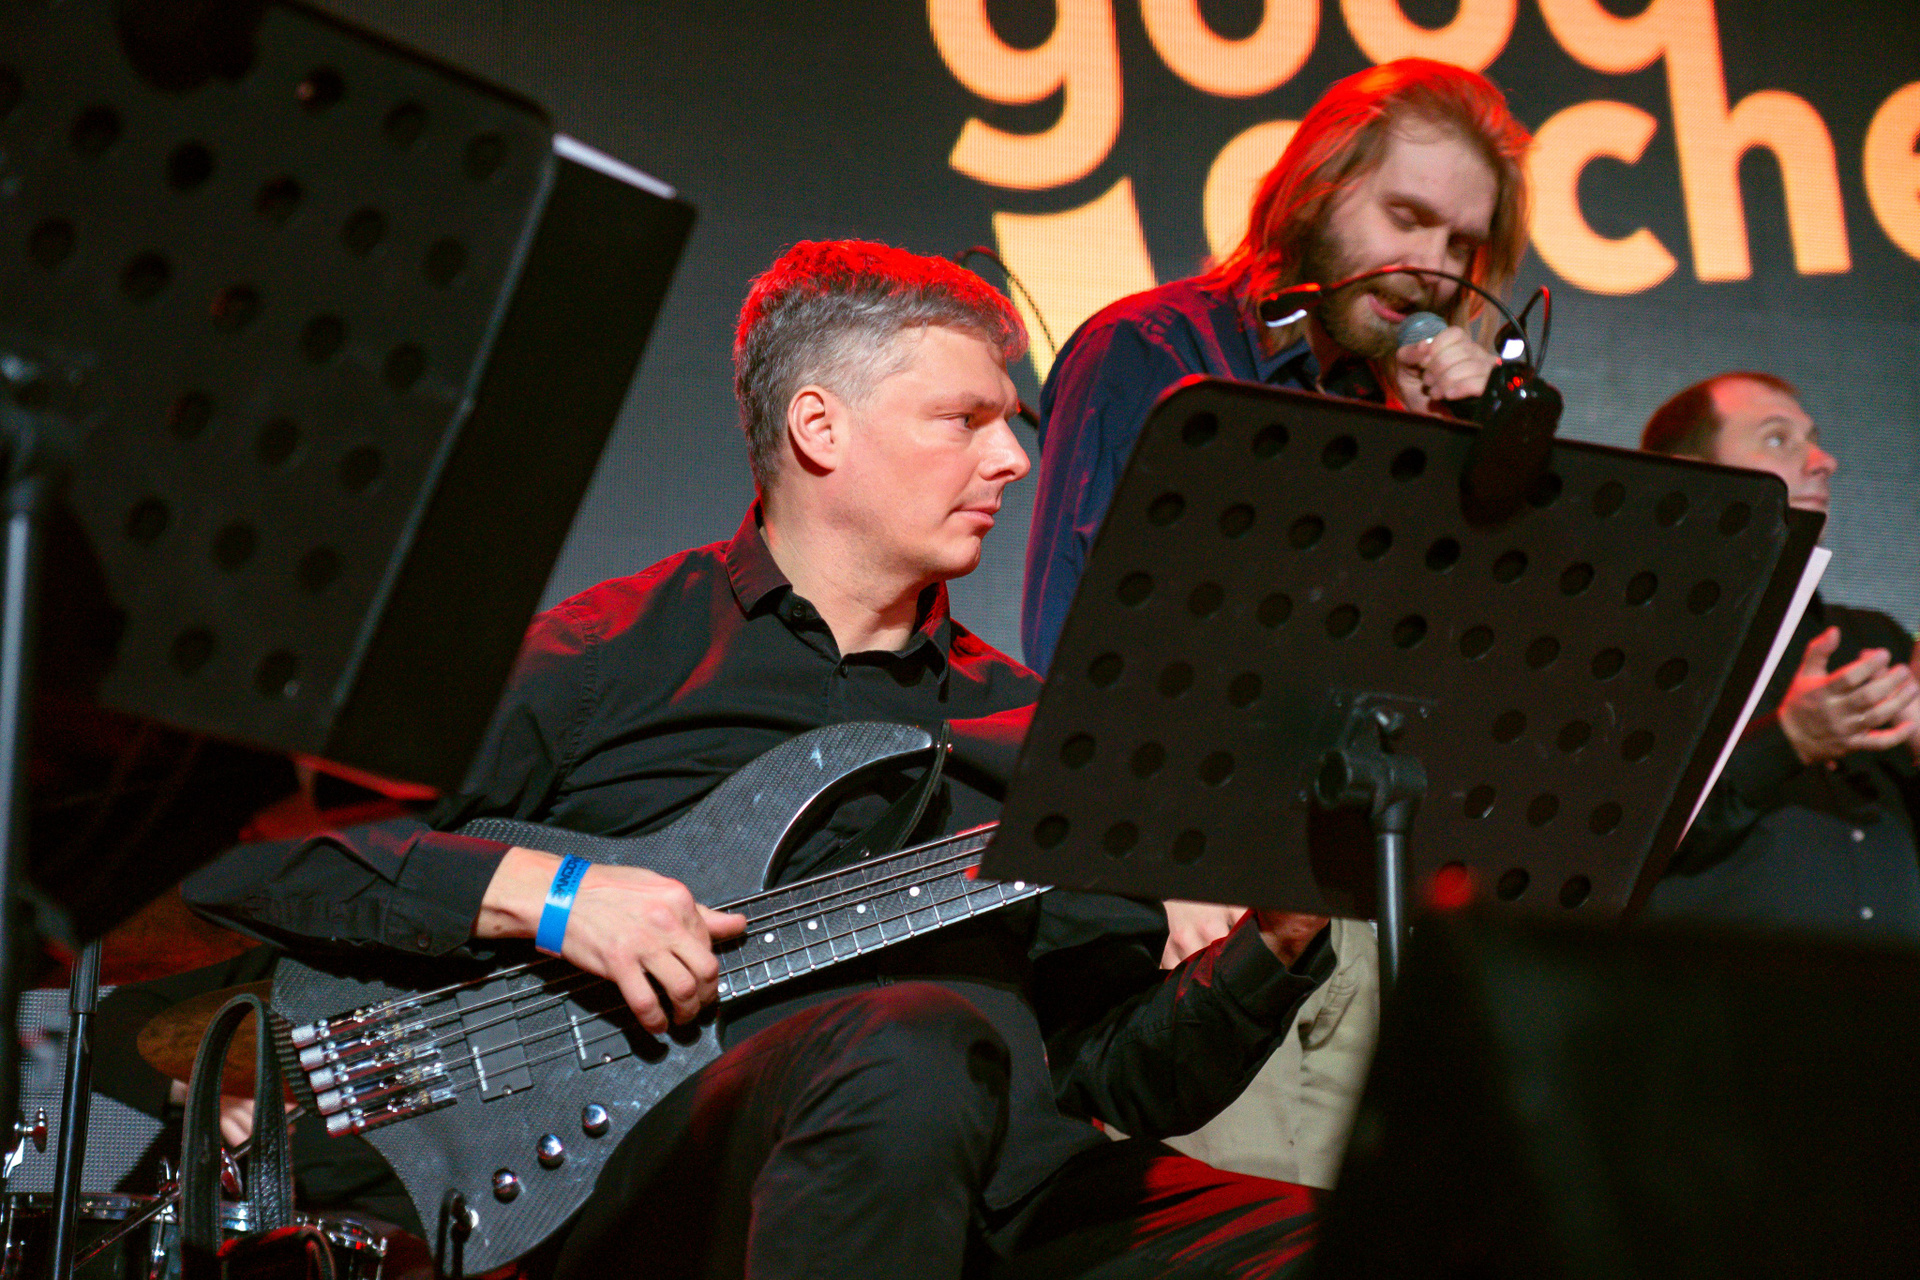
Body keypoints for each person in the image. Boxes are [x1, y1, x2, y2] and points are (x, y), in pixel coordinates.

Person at [175, 241, 1334, 1280]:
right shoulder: (614, 654)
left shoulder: (1035, 729)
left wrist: (1274, 942)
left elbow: (1107, 1071)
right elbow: (250, 849)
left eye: (1010, 422)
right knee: (915, 1042)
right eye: (965, 419)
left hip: (1007, 1189)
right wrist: (555, 893)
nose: (1014, 458)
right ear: (820, 428)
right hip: (674, 1188)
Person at [1018, 58, 1534, 1189]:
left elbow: (1460, 683)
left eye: (1462, 243)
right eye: (1407, 217)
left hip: (1375, 906)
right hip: (1207, 905)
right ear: (1317, 191)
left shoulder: (1407, 401)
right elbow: (1075, 645)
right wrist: (1147, 872)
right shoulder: (1158, 351)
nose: (1434, 267)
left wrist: (1451, 458)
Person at [1639, 372, 1920, 936]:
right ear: (1696, 476)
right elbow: (1618, 841)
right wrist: (1788, 741)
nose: (1824, 461)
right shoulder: (1646, 642)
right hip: (1721, 985)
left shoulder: (1876, 639)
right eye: (1777, 439)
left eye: (1813, 439)